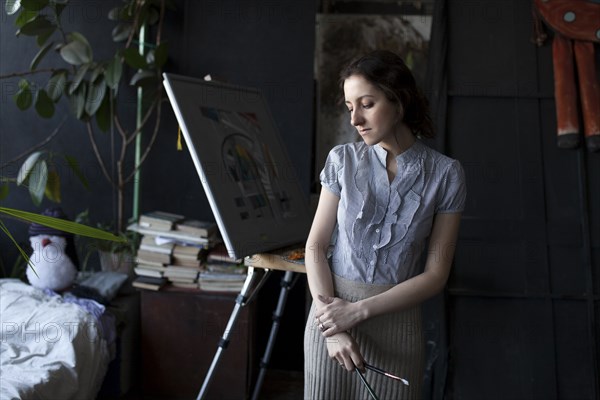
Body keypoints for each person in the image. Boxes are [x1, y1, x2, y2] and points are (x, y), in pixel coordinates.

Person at [303, 50, 466, 400]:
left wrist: (357, 311)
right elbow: (315, 247)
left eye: (366, 103)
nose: (356, 119)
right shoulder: (341, 160)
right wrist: (332, 328)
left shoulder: (446, 175)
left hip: (398, 331)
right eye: (350, 107)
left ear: (398, 101)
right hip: (328, 321)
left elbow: (436, 273)